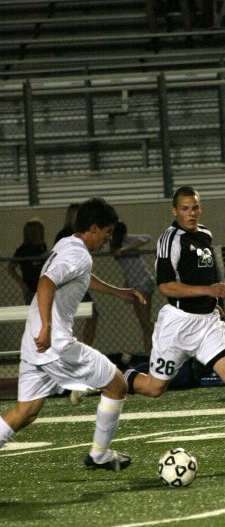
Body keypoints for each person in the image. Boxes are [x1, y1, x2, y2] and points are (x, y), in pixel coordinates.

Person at [123, 185, 225, 459]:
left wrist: (216, 302)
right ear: (175, 211)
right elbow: (166, 287)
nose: (191, 213)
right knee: (154, 388)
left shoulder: (204, 235)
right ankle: (106, 378)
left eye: (194, 207)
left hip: (206, 323)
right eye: (184, 208)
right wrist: (209, 292)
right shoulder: (169, 239)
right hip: (178, 324)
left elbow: (209, 279)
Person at [0, 197, 146, 471]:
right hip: (54, 344)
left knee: (25, 412)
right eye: (107, 232)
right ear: (93, 228)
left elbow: (80, 276)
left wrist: (117, 292)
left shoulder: (68, 244)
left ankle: (99, 451)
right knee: (117, 384)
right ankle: (100, 455)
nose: (107, 239)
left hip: (35, 344)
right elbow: (46, 282)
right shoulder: (77, 253)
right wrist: (47, 326)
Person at [54, 202, 98, 349]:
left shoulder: (84, 236)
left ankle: (86, 347)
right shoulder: (64, 237)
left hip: (78, 282)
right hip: (66, 284)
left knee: (93, 314)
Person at [110, 221, 155, 354]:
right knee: (143, 322)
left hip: (144, 282)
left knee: (145, 320)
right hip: (133, 285)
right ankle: (149, 351)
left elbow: (146, 238)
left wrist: (125, 249)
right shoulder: (113, 246)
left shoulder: (128, 240)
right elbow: (127, 268)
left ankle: (158, 345)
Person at [7, 218, 48, 305]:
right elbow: (11, 267)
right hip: (31, 289)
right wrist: (23, 285)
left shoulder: (42, 246)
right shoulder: (23, 249)